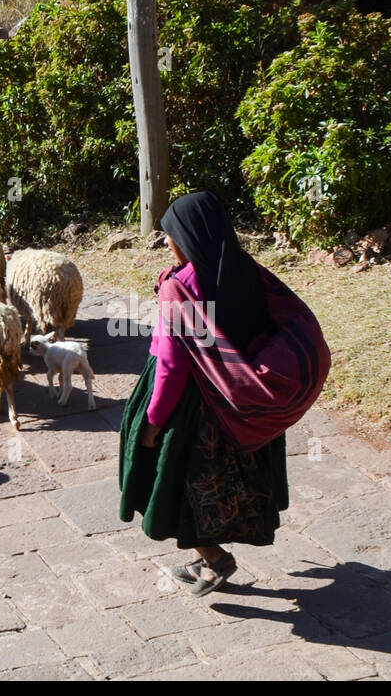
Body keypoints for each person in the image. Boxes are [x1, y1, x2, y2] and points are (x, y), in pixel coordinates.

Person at [118, 190, 328, 596]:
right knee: (227, 485)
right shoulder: (248, 272)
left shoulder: (179, 290)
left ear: (189, 235)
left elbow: (172, 367)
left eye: (169, 235)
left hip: (193, 409)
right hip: (239, 408)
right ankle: (204, 557)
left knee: (168, 480)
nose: (166, 243)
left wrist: (152, 423)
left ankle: (214, 559)